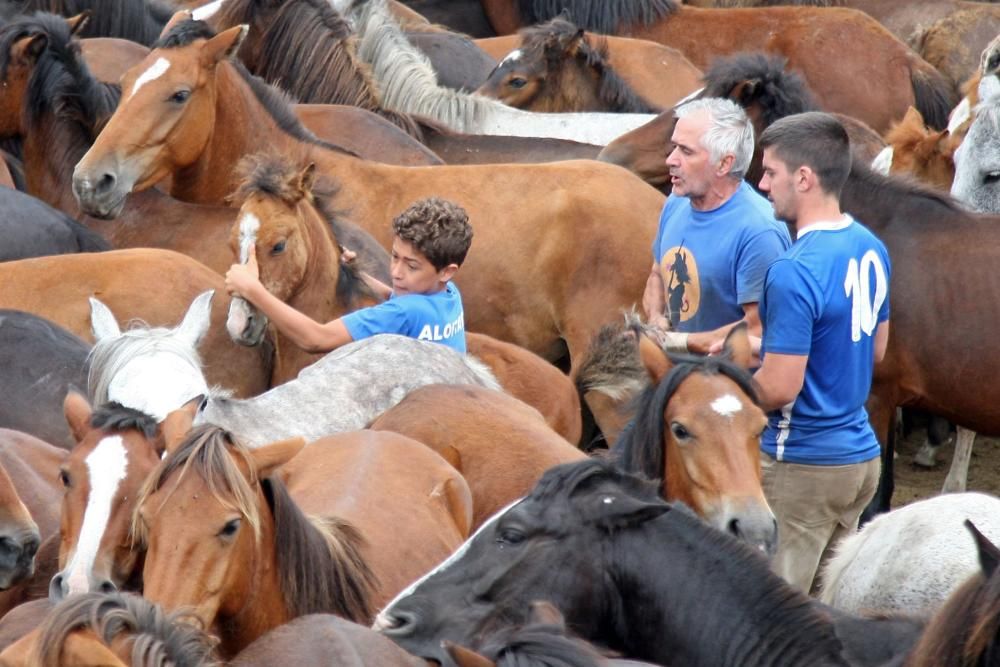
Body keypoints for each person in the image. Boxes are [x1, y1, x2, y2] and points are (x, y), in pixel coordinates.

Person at [753, 112, 890, 594]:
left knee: (777, 614)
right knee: (827, 608)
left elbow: (778, 387)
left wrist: (726, 380)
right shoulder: (871, 246)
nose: (764, 185)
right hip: (860, 462)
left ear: (804, 178)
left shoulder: (792, 270)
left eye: (770, 173)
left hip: (803, 468)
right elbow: (874, 349)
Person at [225, 196, 472, 354]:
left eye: (412, 266)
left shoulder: (403, 314)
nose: (396, 272)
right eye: (395, 257)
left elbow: (316, 339)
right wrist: (359, 274)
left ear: (446, 272)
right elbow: (394, 296)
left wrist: (252, 290)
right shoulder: (449, 295)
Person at [643, 97, 790, 354]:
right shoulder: (675, 203)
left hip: (728, 386)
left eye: (686, 151)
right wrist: (656, 319)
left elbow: (758, 327)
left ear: (724, 163)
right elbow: (657, 274)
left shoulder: (759, 232)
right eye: (674, 147)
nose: (671, 160)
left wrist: (681, 342)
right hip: (676, 376)